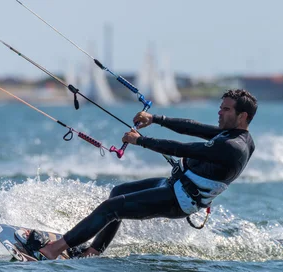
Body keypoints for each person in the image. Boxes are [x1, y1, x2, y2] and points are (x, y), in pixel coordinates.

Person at [38, 89, 258, 260]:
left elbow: (184, 149)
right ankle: (92, 252)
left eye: (226, 110)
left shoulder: (233, 146)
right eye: (221, 107)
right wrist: (156, 119)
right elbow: (193, 127)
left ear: (243, 116)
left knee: (110, 209)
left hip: (179, 199)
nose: (219, 112)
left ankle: (54, 250)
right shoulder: (232, 134)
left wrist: (140, 140)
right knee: (118, 193)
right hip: (176, 185)